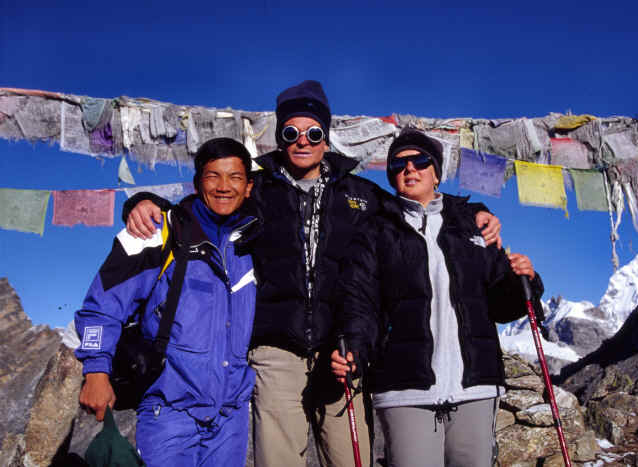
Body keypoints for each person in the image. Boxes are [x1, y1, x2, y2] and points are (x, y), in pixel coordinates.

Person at [121, 80, 502, 467]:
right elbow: (207, 204)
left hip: (342, 349)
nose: (302, 141)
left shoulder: (360, 194)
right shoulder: (257, 189)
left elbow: (417, 205)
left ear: (326, 137)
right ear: (280, 137)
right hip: (275, 351)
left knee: (350, 459)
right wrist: (145, 202)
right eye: (291, 132)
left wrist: (472, 212)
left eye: (313, 132)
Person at [331, 129, 545, 467]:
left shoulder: (471, 226)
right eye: (399, 164)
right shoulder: (375, 231)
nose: (409, 169)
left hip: (474, 385)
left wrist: (526, 280)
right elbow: (360, 302)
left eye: (420, 161)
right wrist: (354, 350)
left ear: (436, 172)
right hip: (404, 387)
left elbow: (503, 306)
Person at [75, 137, 260, 467]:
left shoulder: (256, 244)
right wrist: (96, 370)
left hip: (231, 419)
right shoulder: (157, 230)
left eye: (235, 177)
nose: (223, 187)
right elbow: (102, 305)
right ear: (196, 182)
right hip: (169, 412)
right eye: (212, 176)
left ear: (248, 187)